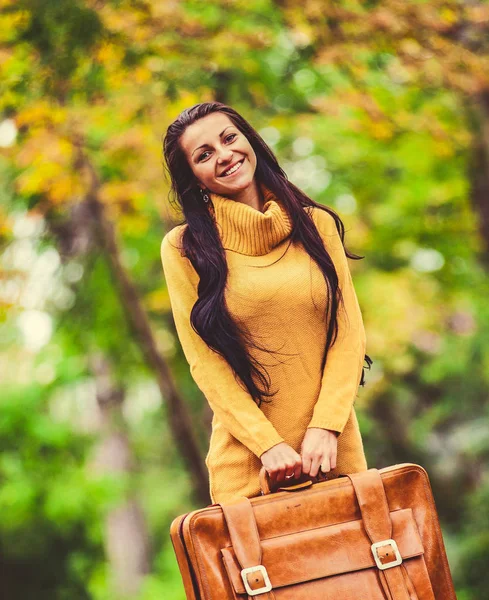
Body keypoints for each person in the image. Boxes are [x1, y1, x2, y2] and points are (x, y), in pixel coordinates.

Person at [160, 101, 372, 503]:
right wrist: (267, 445)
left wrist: (326, 426)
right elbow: (206, 364)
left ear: (249, 141)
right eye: (204, 154)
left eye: (229, 138)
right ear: (194, 179)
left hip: (333, 455)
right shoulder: (184, 249)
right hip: (249, 473)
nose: (224, 155)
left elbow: (348, 336)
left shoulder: (315, 226)